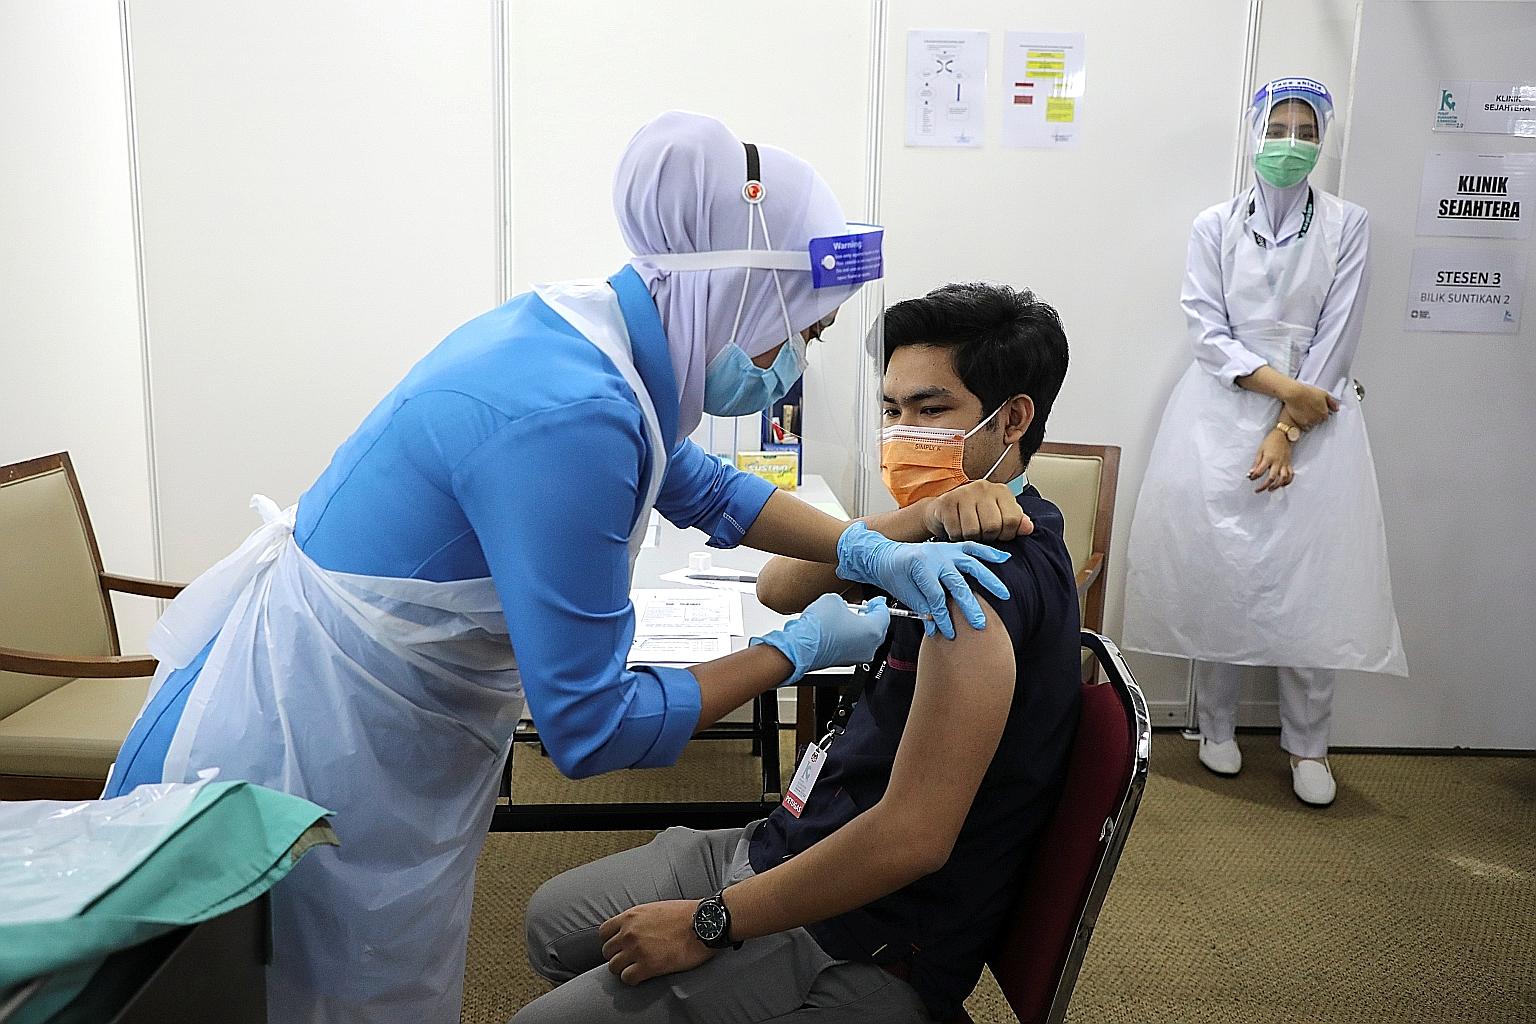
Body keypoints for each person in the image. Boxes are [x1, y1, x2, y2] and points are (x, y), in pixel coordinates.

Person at [99, 112, 1015, 1024]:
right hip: (299, 750)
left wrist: (862, 545)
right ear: (739, 297)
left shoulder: (590, 327)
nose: (790, 366)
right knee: (283, 992)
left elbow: (692, 478)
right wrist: (794, 648)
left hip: (320, 706)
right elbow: (588, 729)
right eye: (799, 335)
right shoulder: (574, 413)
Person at [513, 282, 1079, 1024]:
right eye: (892, 409)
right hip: (792, 836)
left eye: (931, 410)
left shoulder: (980, 585)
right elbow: (781, 586)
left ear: (1012, 420)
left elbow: (911, 838)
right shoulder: (946, 537)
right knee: (551, 925)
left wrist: (709, 921)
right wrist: (919, 515)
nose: (904, 433)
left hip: (859, 933)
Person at [1122, 77, 1406, 807]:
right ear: (1254, 135)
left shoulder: (1349, 224)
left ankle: (1308, 745)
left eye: (1306, 131)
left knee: (1313, 580)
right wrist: (1282, 395)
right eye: (1276, 128)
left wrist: (1289, 426)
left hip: (1319, 410)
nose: (1289, 144)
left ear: (1323, 141)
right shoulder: (1214, 225)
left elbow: (1340, 332)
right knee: (1224, 568)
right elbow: (1206, 330)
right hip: (1222, 409)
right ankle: (1214, 726)